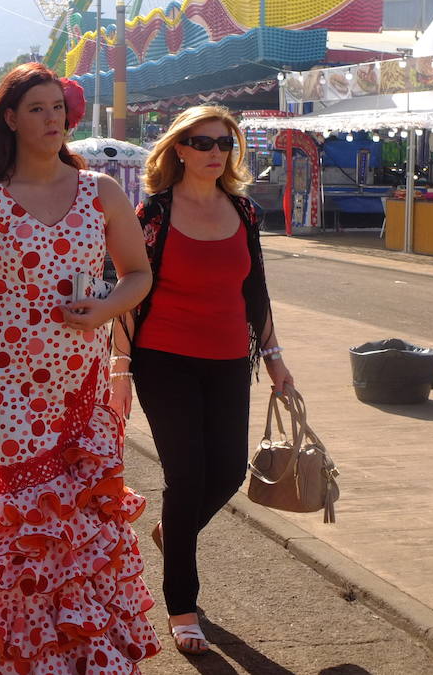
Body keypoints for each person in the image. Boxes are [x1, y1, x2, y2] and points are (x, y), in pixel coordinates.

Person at [0, 62, 160, 672]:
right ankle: (18, 655)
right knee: (25, 518)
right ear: (12, 119)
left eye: (58, 109)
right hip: (11, 386)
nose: (52, 119)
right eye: (38, 109)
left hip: (84, 384)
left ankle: (80, 657)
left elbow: (140, 275)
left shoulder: (102, 190)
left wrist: (103, 308)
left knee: (83, 520)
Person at [110, 105, 294, 656]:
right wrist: (120, 368)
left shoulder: (244, 210)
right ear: (180, 149)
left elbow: (255, 290)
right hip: (163, 358)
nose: (215, 153)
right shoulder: (155, 213)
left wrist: (277, 358)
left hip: (228, 359)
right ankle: (182, 606)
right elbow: (129, 289)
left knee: (229, 470)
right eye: (203, 142)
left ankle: (175, 530)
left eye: (224, 144)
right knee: (186, 477)